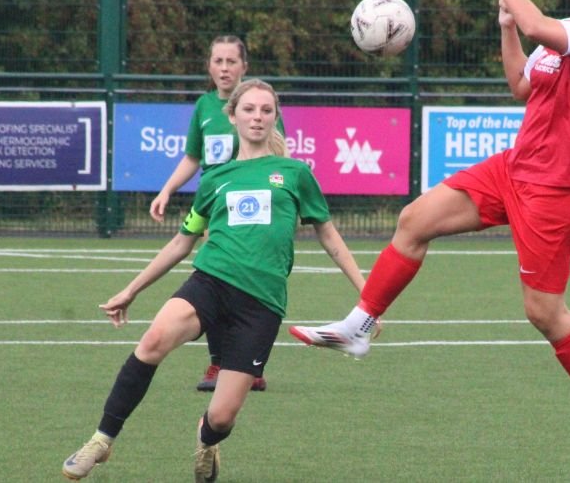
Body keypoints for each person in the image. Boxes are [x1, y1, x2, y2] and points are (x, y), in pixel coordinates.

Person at [290, 0, 570, 474]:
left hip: (553, 190)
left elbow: (540, 26)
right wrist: (504, 26)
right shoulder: (561, 40)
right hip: (512, 169)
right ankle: (359, 327)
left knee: (543, 312)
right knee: (414, 220)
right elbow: (522, 85)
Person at [62, 79, 365, 481]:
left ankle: (206, 440)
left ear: (275, 117)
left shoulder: (294, 173)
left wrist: (368, 293)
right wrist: (131, 290)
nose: (257, 117)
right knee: (152, 341)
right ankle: (101, 441)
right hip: (211, 283)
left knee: (222, 416)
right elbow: (181, 242)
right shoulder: (215, 179)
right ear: (233, 115)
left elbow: (328, 234)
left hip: (262, 303)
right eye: (249, 109)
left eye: (266, 110)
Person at [150, 35, 285, 393]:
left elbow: (279, 155)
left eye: (231, 62)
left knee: (247, 282)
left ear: (245, 66)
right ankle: (218, 364)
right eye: (218, 61)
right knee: (215, 278)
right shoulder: (205, 107)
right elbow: (193, 157)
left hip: (253, 208)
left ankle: (247, 363)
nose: (224, 69)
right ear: (209, 66)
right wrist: (167, 189)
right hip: (214, 207)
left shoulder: (258, 105)